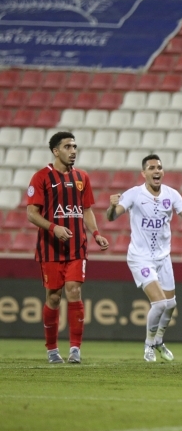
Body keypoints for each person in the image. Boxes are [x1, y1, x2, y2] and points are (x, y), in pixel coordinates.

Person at [106, 154, 182, 362]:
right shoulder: (134, 194)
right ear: (143, 173)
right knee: (160, 304)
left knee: (171, 304)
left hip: (163, 258)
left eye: (159, 167)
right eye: (152, 168)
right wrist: (111, 206)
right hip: (140, 258)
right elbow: (112, 216)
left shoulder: (171, 195)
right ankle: (148, 346)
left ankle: (159, 341)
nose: (157, 171)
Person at [26, 131, 109, 363]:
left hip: (77, 247)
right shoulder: (41, 177)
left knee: (74, 290)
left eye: (75, 146)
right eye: (68, 146)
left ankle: (75, 349)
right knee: (53, 297)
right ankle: (52, 350)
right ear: (55, 151)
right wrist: (54, 228)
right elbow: (31, 214)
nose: (73, 150)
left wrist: (96, 233)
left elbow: (87, 209)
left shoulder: (82, 177)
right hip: (50, 248)